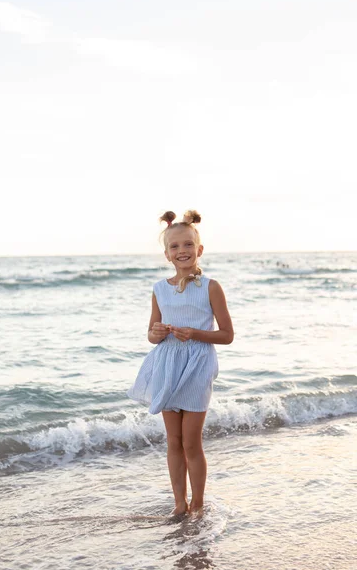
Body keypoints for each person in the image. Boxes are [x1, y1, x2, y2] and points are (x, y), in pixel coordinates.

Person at [127, 210, 234, 516]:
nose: (182, 251)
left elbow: (226, 335)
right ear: (167, 254)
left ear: (199, 250)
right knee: (173, 441)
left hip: (197, 367)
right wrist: (156, 332)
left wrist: (196, 334)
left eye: (188, 245)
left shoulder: (211, 287)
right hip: (167, 367)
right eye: (175, 247)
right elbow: (152, 334)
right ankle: (179, 503)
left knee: (191, 443)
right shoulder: (160, 289)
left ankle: (198, 503)